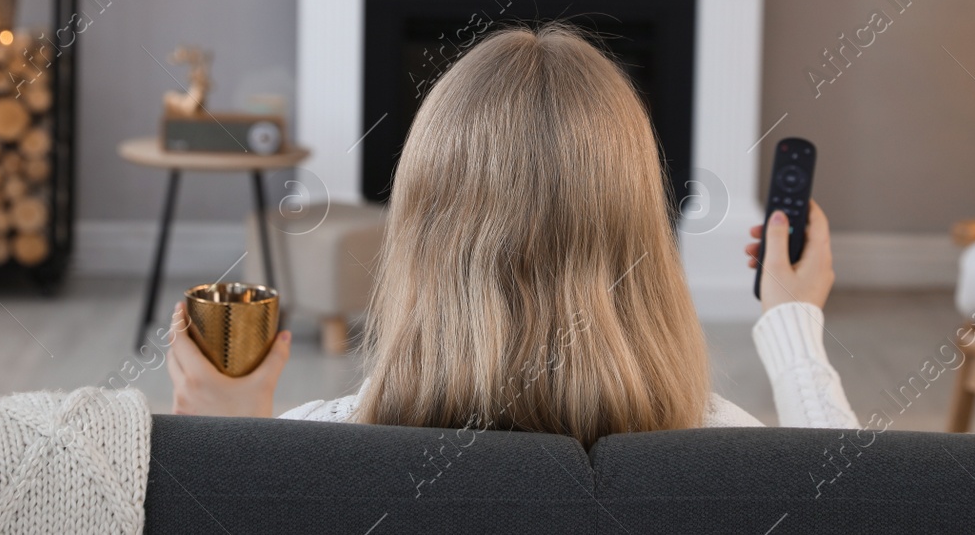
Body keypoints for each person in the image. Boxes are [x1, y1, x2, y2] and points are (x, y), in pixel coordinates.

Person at [167, 24, 856, 442]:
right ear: (641, 241)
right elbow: (858, 504)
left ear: (418, 237)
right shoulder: (730, 452)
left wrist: (229, 434)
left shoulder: (315, 448)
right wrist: (792, 317)